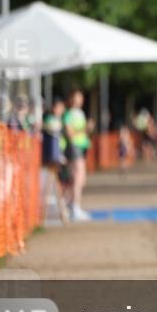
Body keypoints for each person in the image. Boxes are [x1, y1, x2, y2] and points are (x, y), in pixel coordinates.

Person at [62, 89, 92, 221]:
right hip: (74, 147)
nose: (79, 100)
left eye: (81, 97)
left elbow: (82, 132)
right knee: (77, 178)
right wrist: (84, 129)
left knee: (81, 179)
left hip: (82, 147)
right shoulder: (68, 114)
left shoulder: (80, 113)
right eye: (77, 97)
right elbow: (70, 133)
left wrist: (87, 131)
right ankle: (74, 207)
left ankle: (70, 204)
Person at [41, 98, 69, 224]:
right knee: (54, 184)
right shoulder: (51, 121)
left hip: (58, 156)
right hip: (53, 158)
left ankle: (62, 208)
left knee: (62, 183)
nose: (62, 110)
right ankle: (55, 211)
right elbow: (52, 129)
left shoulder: (58, 121)